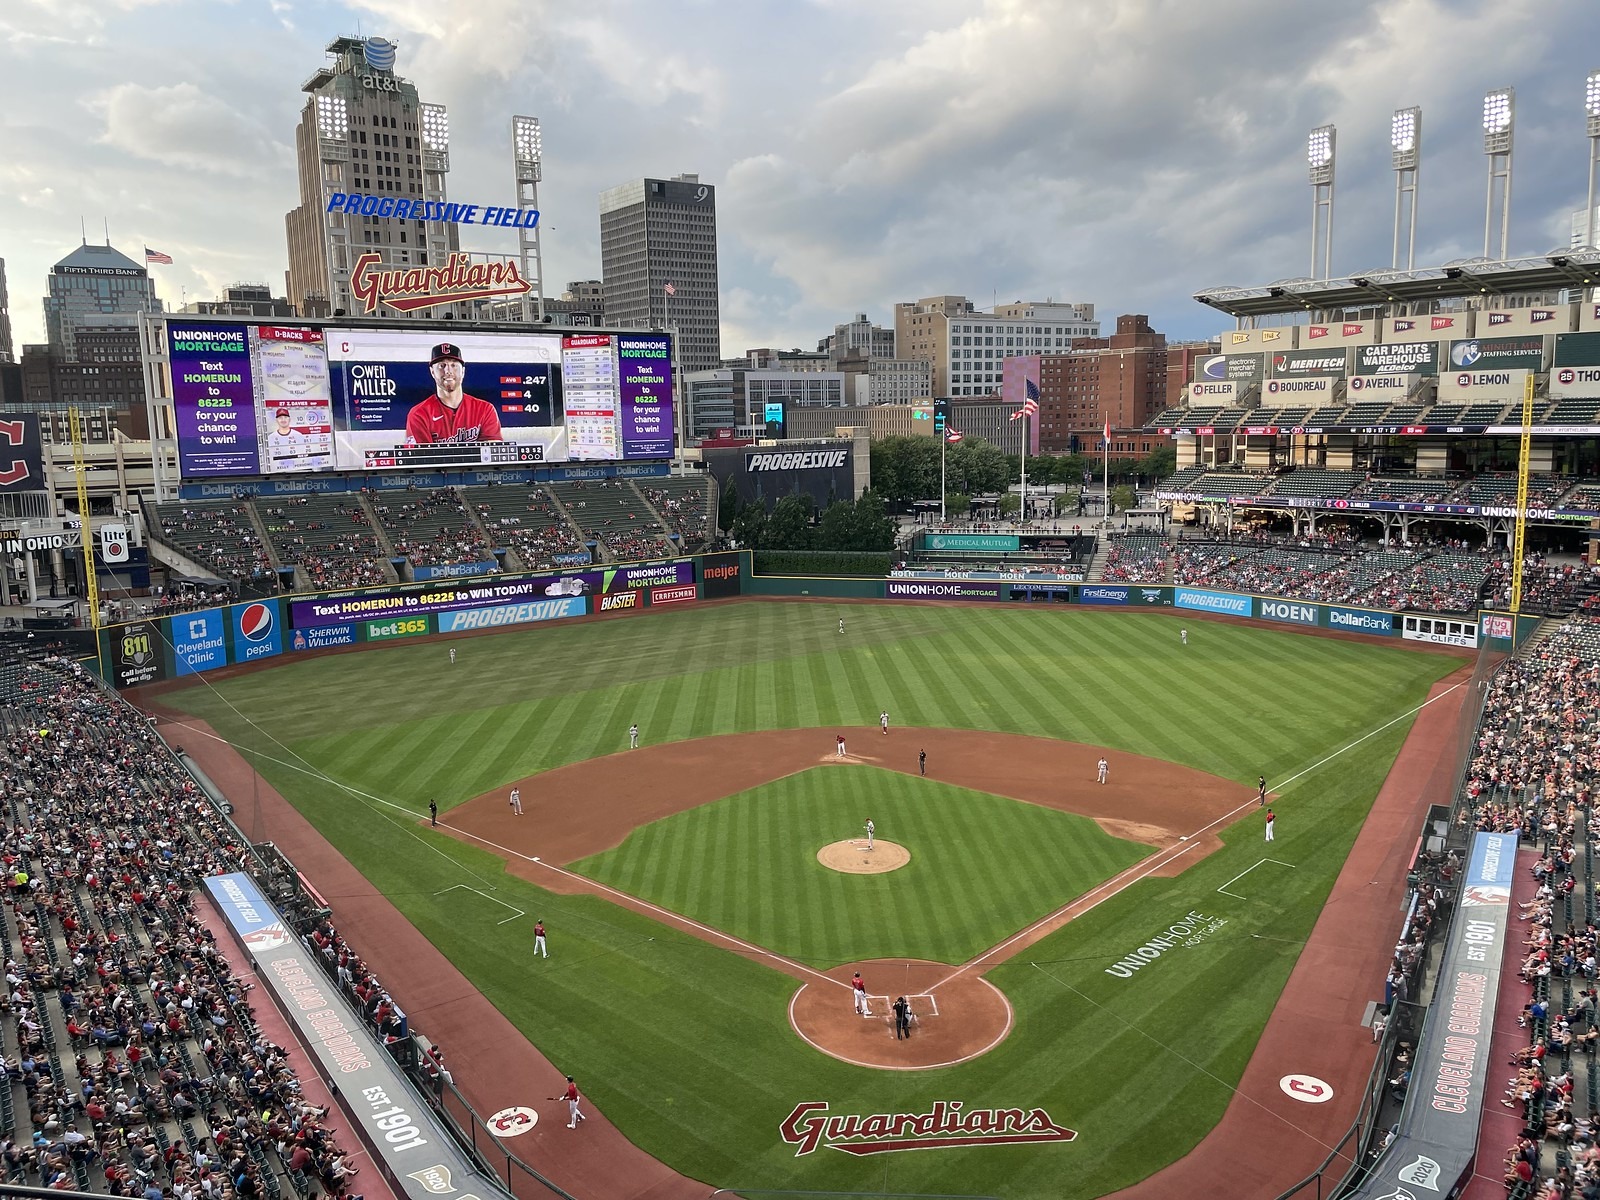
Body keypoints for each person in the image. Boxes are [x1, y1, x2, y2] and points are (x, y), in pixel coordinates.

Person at [404, 343, 503, 445]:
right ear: (432, 371)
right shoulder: (419, 414)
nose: (448, 371)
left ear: (463, 371)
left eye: (454, 365)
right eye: (442, 365)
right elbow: (422, 458)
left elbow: (492, 454)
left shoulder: (485, 409)